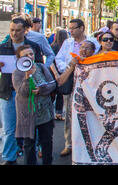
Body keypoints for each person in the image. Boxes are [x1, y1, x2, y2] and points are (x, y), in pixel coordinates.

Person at [0, 18, 44, 165]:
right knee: (9, 128)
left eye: (17, 30)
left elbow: (40, 67)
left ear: (25, 30)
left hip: (28, 92)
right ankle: (9, 157)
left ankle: (31, 156)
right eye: (11, 30)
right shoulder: (2, 47)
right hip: (8, 92)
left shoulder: (33, 46)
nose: (14, 33)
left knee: (30, 127)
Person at [54, 18, 99, 157]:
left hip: (89, 83)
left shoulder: (94, 42)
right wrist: (68, 67)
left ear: (82, 28)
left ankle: (89, 143)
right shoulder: (67, 43)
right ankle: (69, 144)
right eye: (70, 28)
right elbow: (58, 58)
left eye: (73, 28)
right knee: (69, 113)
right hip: (70, 80)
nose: (71, 31)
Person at [12, 45, 56, 165]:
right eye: (25, 55)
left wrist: (41, 90)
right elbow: (22, 92)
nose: (29, 57)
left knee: (47, 142)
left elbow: (52, 84)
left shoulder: (41, 67)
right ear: (19, 58)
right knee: (29, 144)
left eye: (31, 54)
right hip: (27, 114)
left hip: (44, 112)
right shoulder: (17, 72)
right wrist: (27, 77)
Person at [50, 29, 69, 121]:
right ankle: (59, 112)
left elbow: (50, 61)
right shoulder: (65, 47)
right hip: (63, 72)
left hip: (52, 72)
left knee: (53, 94)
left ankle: (51, 112)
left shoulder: (53, 46)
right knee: (61, 94)